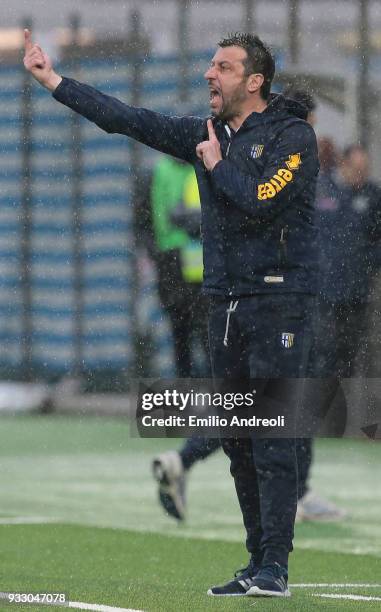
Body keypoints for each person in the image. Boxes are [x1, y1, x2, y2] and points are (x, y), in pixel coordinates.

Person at [24, 30, 319, 598]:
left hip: (280, 302)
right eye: (210, 65)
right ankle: (256, 561)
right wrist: (54, 81)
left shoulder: (292, 135)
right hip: (224, 302)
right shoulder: (204, 133)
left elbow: (259, 201)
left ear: (254, 81)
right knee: (237, 437)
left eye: (224, 68)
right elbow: (128, 119)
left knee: (272, 435)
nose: (210, 75)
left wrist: (216, 164)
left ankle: (276, 568)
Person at [153, 91, 345, 524]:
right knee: (275, 397)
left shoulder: (273, 158)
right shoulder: (268, 159)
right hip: (258, 296)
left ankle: (196, 461)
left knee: (261, 398)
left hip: (250, 292)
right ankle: (290, 492)